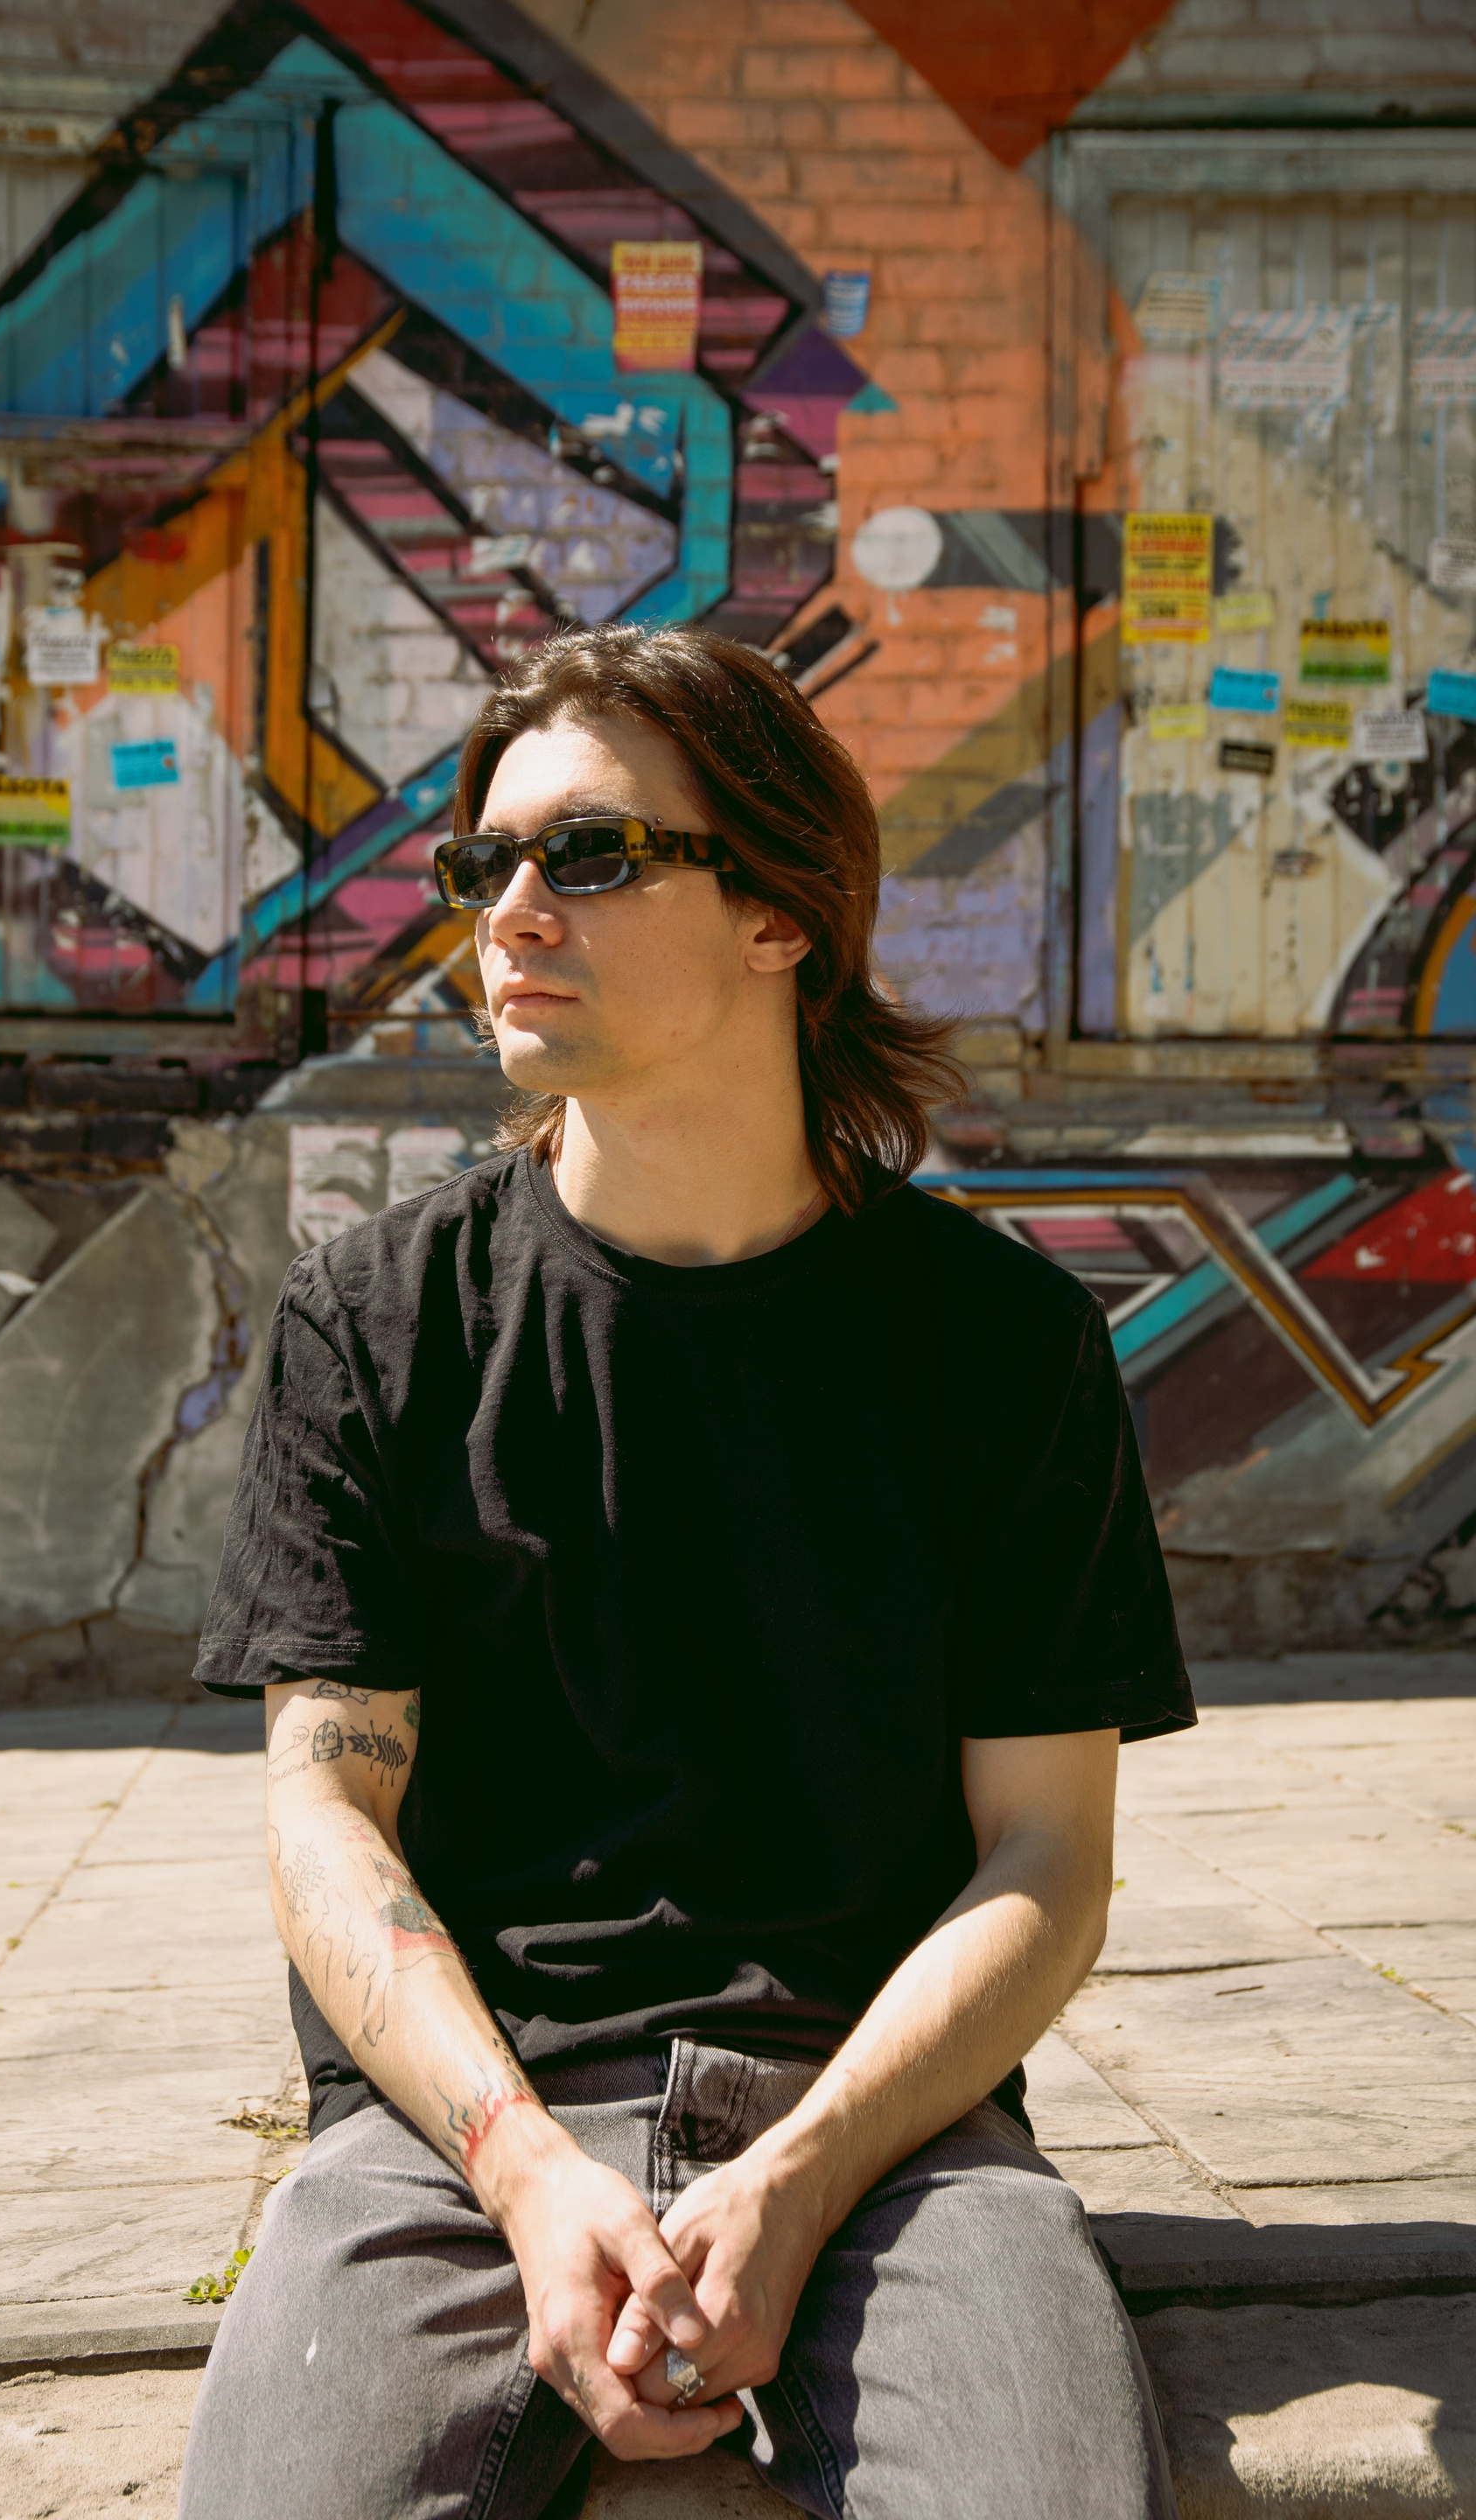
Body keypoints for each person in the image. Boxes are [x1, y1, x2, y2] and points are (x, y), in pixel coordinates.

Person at [179, 624, 1193, 2520]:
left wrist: (801, 2177)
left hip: (888, 2135)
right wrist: (522, 2168)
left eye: (590, 854)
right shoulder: (374, 1322)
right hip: (449, 2144)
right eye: (485, 863)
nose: (511, 911)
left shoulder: (1002, 1348)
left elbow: (1049, 1860)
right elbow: (327, 1824)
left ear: (781, 913)